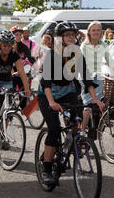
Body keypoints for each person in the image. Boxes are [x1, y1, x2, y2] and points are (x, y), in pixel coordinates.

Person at [38, 22, 105, 186]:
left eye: (72, 35)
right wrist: (52, 102)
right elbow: (46, 82)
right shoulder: (52, 55)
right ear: (59, 38)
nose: (71, 37)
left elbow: (87, 78)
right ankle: (46, 168)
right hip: (48, 94)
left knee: (76, 120)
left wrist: (96, 100)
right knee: (53, 129)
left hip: (68, 91)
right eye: (67, 35)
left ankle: (72, 144)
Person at [0, 30, 31, 135]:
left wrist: (27, 89)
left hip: (6, 81)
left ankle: (2, 135)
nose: (6, 48)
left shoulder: (14, 54)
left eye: (9, 46)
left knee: (9, 108)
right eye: (4, 45)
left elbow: (21, 72)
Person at [80, 21, 114, 139]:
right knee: (88, 105)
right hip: (86, 76)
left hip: (98, 75)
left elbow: (110, 60)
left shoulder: (103, 45)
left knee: (102, 100)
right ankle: (82, 131)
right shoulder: (84, 46)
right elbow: (84, 65)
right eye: (93, 30)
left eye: (98, 30)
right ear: (89, 32)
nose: (96, 32)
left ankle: (102, 121)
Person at [11, 27, 36, 105]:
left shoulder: (23, 46)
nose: (18, 36)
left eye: (19, 34)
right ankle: (7, 114)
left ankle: (23, 109)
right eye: (16, 35)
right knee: (10, 91)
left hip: (20, 69)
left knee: (23, 91)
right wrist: (12, 72)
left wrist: (39, 67)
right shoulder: (9, 45)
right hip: (10, 69)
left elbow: (30, 57)